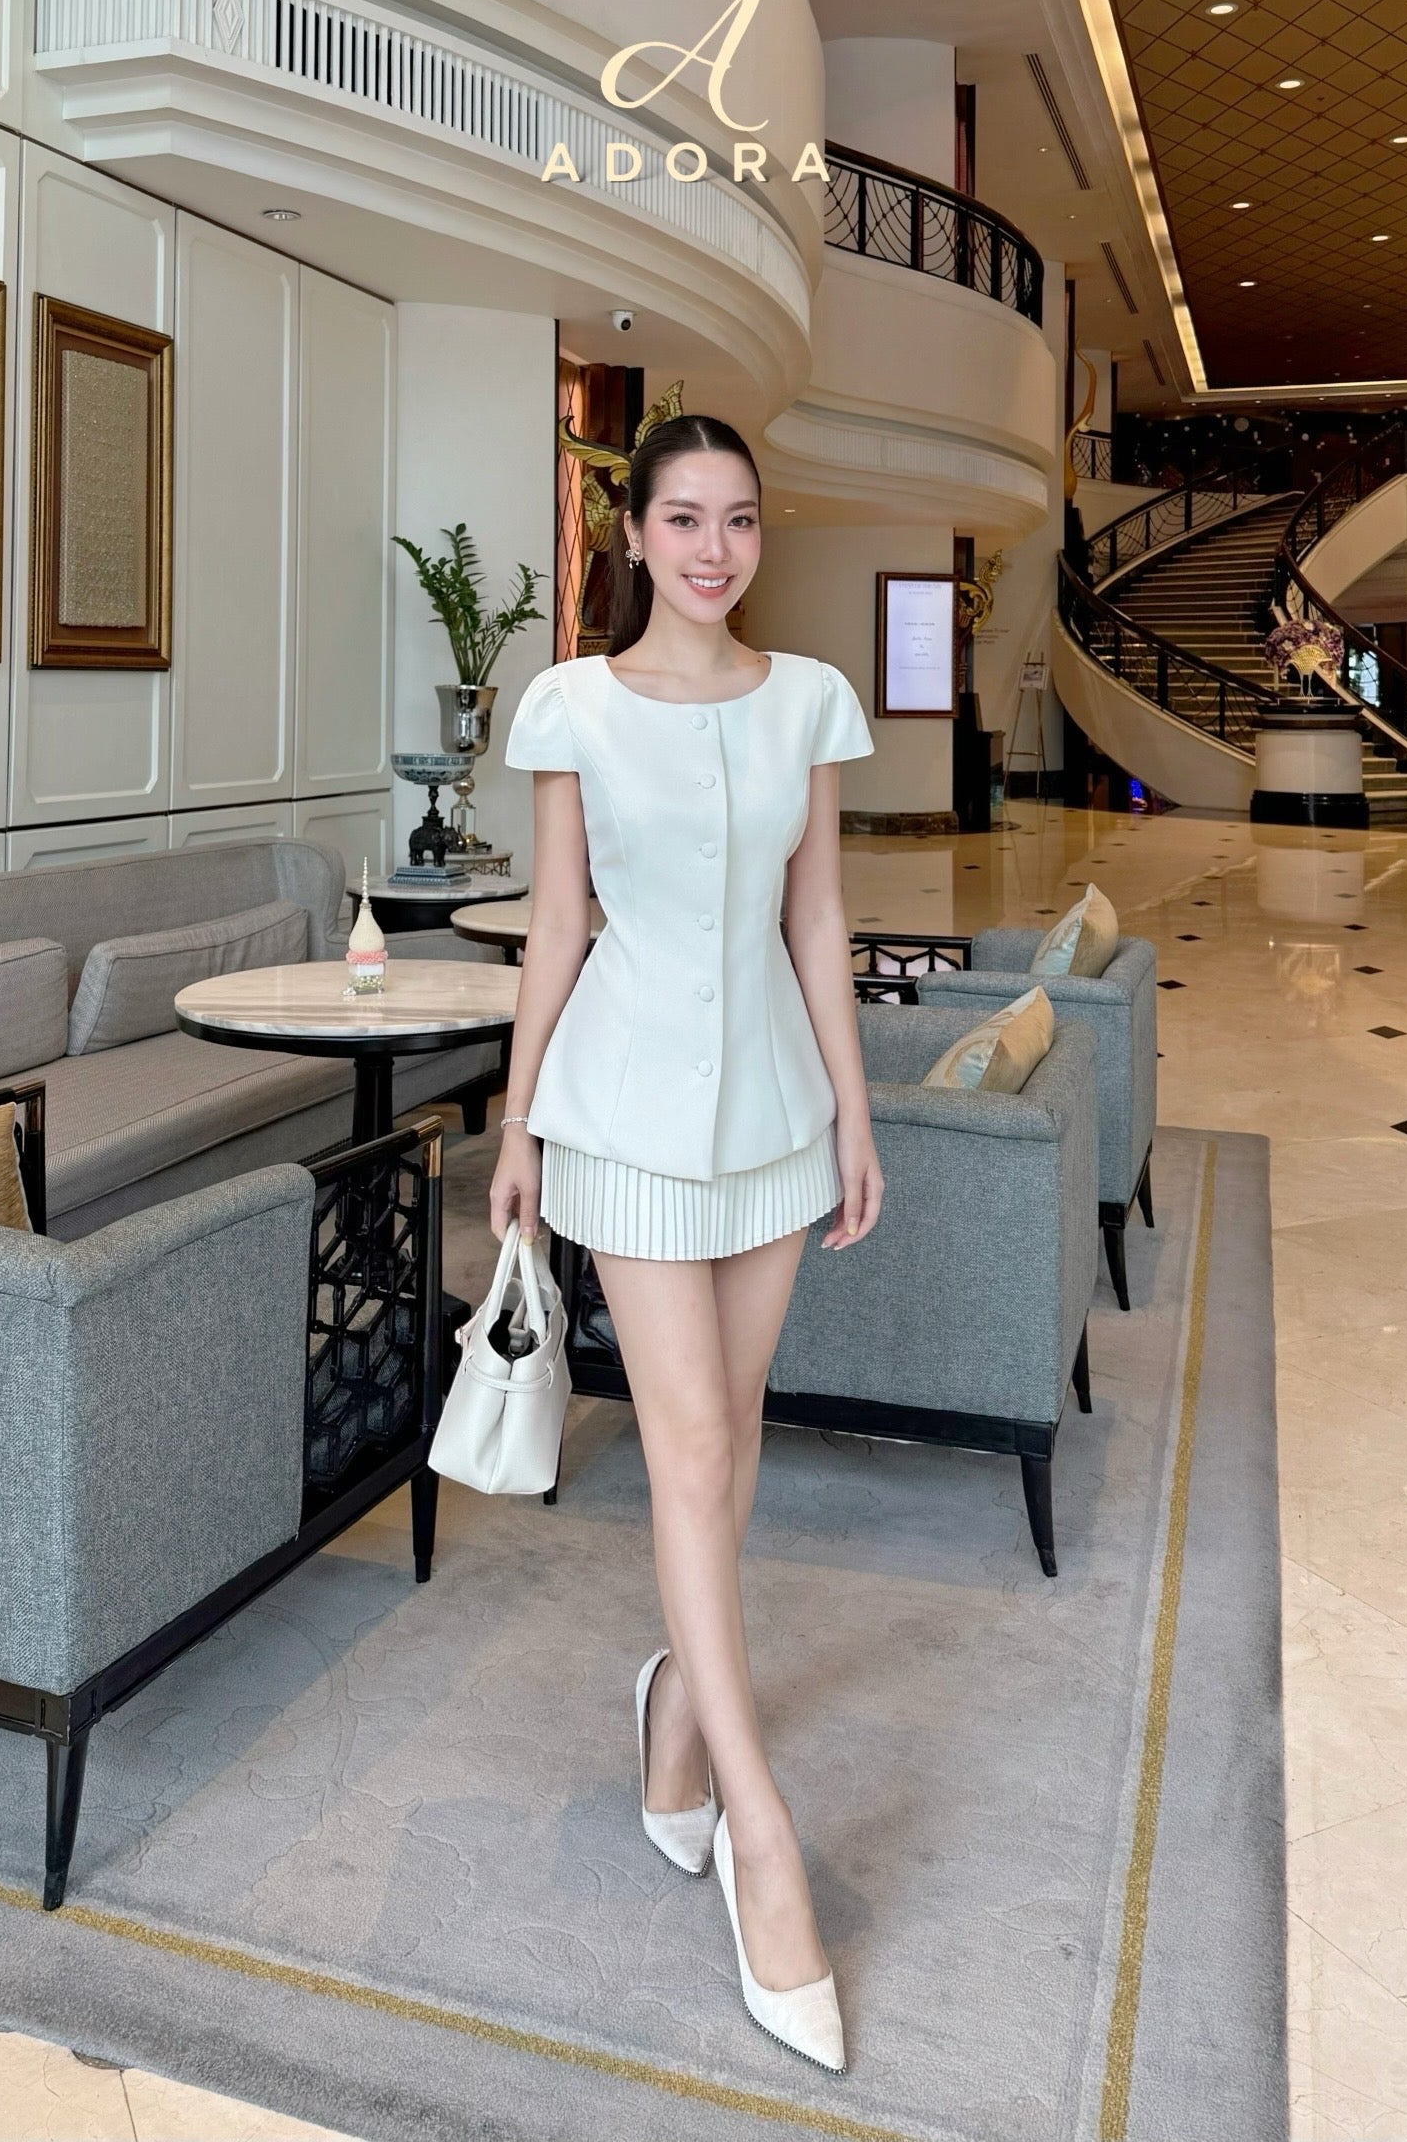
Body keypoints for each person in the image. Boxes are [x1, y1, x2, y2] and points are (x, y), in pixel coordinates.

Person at [490, 413, 883, 2073]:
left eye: (738, 520)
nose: (714, 549)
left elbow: (818, 917)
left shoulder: (811, 702)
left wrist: (856, 1115)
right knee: (692, 1449)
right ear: (635, 534)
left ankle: (672, 1707)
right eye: (683, 519)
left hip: (777, 1121)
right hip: (627, 1115)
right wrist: (517, 1124)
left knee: (733, 1445)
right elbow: (556, 923)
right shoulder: (573, 704)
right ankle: (761, 1836)